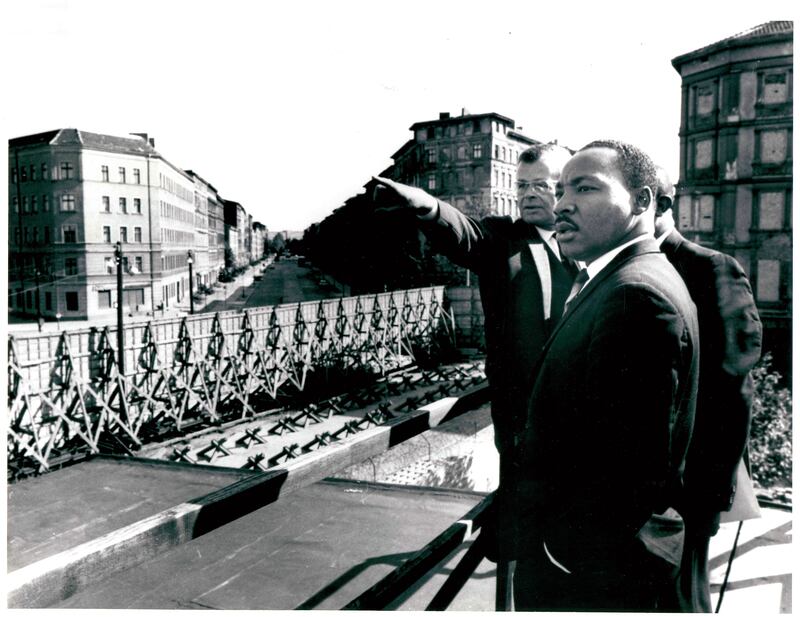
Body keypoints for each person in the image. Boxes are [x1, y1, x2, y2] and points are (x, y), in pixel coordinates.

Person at [513, 140, 700, 611]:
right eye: (560, 191)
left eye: (585, 188)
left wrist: (561, 554)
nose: (561, 205)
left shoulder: (634, 295)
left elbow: (628, 471)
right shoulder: (624, 279)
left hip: (592, 574)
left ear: (642, 201)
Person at [371, 143, 577, 558]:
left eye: (541, 185)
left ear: (566, 189)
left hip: (576, 411)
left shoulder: (586, 243)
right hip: (522, 414)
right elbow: (464, 235)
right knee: (526, 532)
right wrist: (428, 206)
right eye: (522, 186)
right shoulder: (503, 238)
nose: (529, 194)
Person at [654, 167, 763, 612]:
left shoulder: (711, 267)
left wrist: (713, 494)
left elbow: (734, 389)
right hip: (640, 489)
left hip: (688, 488)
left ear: (657, 203)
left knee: (684, 597)